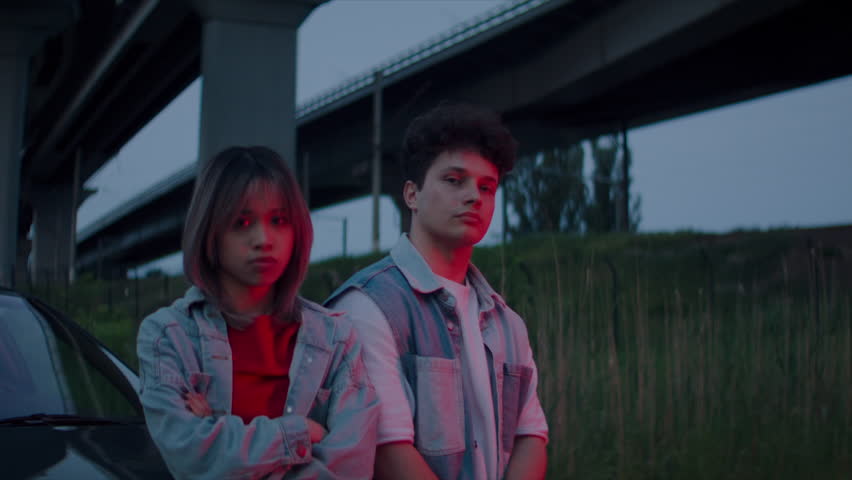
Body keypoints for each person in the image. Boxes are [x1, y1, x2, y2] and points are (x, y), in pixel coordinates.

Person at [325, 103, 548, 480]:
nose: (474, 196)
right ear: (411, 195)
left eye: (486, 187)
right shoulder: (369, 307)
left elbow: (532, 436)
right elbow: (385, 449)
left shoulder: (506, 323)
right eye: (454, 180)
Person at [136, 146, 379, 479]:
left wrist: (223, 436)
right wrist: (298, 433)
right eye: (242, 222)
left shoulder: (336, 337)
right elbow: (193, 459)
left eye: (279, 221)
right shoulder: (170, 337)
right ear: (210, 231)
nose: (263, 239)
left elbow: (353, 466)